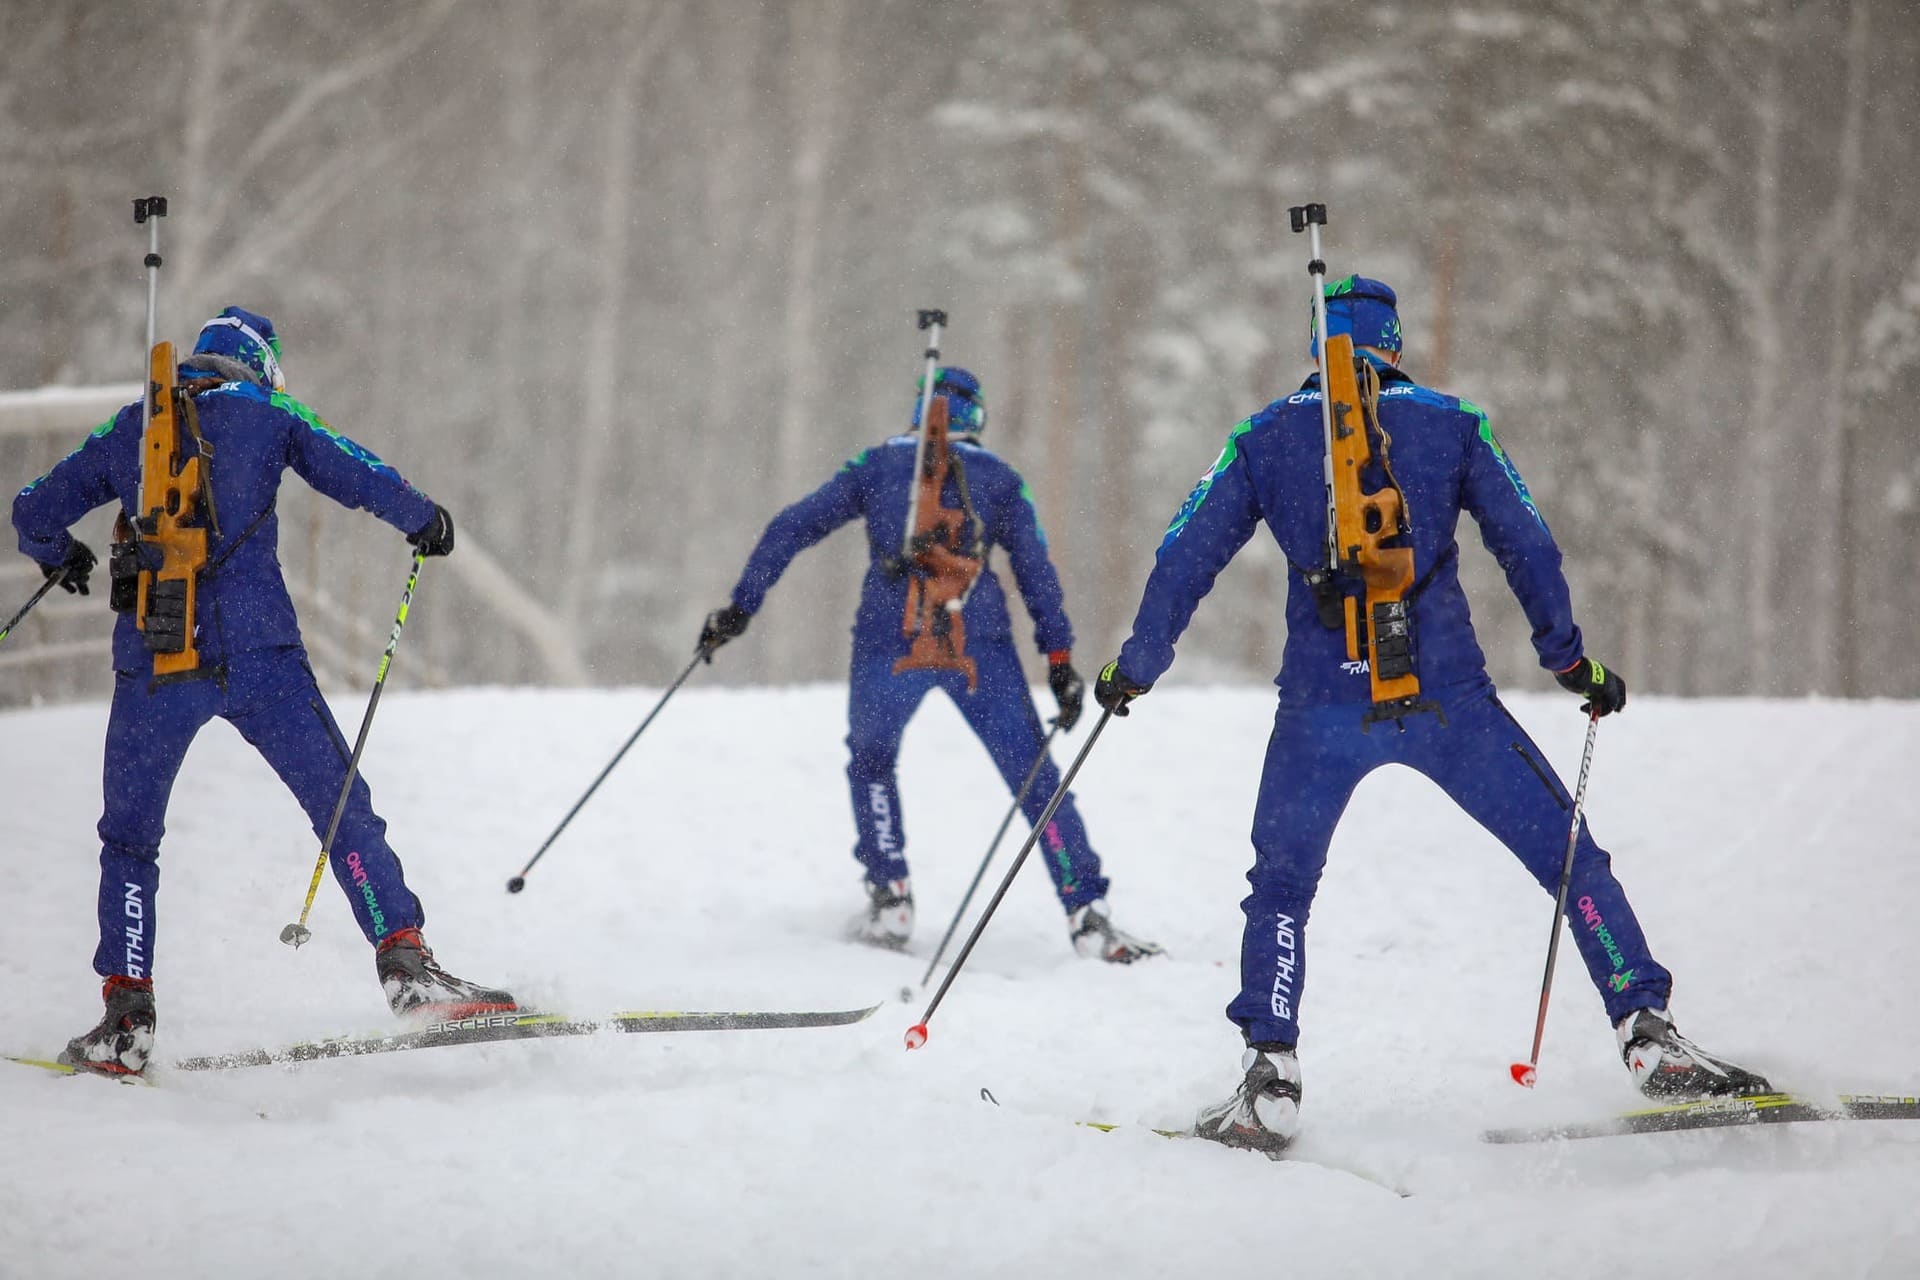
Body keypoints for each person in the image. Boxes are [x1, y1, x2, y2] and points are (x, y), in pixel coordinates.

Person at [1093, 276, 1768, 1154]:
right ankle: (1648, 1031)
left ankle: (1271, 1073)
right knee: (1568, 858)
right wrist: (1569, 658)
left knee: (1283, 889)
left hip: (1321, 708)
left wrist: (1137, 666)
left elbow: (1185, 550)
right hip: (1447, 698)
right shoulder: (1454, 424)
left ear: (1316, 350)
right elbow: (1527, 539)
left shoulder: (1261, 438)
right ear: (1396, 345)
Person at [11, 306, 515, 1078]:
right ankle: (406, 967)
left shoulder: (129, 427)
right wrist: (427, 520)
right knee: (339, 804)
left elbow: (33, 508)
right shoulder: (267, 412)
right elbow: (357, 471)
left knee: (131, 839)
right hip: (261, 654)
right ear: (263, 364)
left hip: (157, 660)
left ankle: (126, 1013)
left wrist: (62, 554)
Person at [698, 366, 1159, 962]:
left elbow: (793, 526)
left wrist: (742, 606)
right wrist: (1061, 658)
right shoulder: (1000, 479)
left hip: (889, 638)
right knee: (1033, 775)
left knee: (871, 759)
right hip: (979, 643)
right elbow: (1035, 570)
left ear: (919, 410)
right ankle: (1087, 913)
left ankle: (890, 894)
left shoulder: (874, 465)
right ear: (977, 419)